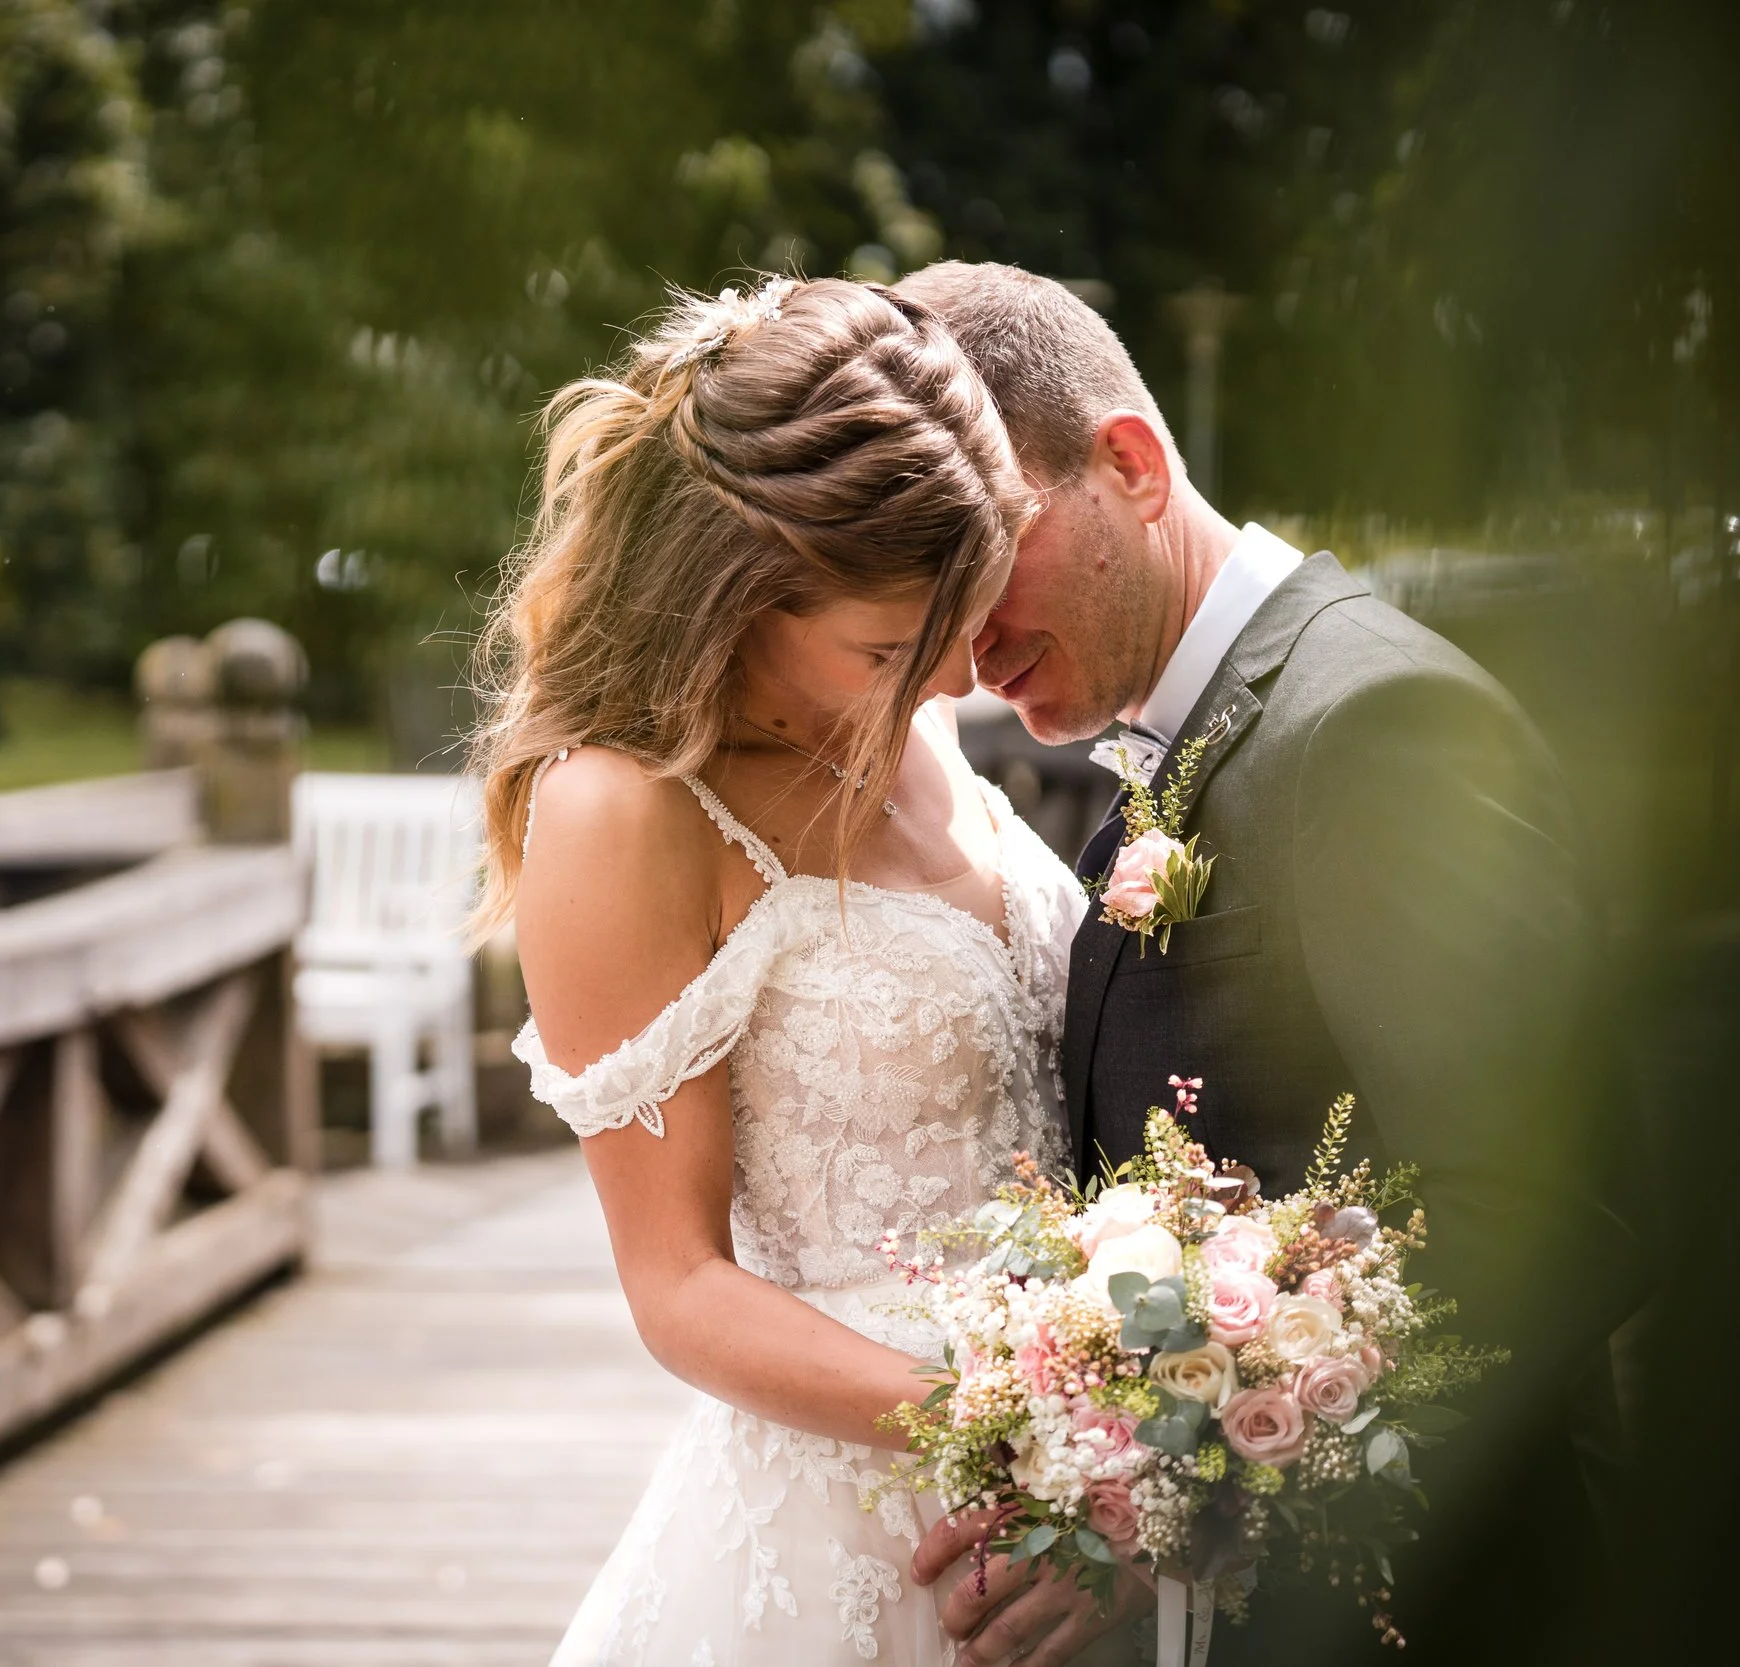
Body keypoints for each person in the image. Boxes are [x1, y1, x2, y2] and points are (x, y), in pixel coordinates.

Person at [889, 260, 1637, 1666]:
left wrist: (1176, 1506)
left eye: (981, 571)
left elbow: (1550, 1210)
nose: (966, 656)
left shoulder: (1373, 724)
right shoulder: (1198, 726)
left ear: (1129, 464)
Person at [475, 276, 1144, 1665]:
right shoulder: (625, 809)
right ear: (739, 593)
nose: (949, 684)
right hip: (850, 1539)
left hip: (1076, 1529)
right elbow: (680, 1288)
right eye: (891, 645)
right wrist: (1021, 1434)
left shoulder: (907, 716)